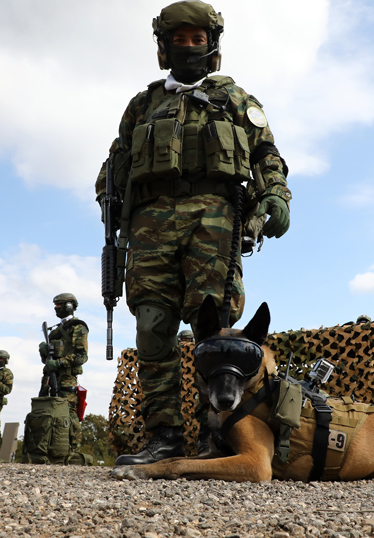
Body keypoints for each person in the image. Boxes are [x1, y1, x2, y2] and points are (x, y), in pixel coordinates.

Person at [96, 0, 291, 465]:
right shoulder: (143, 104)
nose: (188, 46)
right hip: (150, 223)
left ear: (212, 44)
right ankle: (163, 435)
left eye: (196, 39)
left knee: (214, 328)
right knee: (152, 326)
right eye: (179, 39)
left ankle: (214, 436)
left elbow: (266, 154)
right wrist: (108, 198)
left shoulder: (234, 98)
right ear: (164, 47)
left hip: (214, 218)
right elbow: (116, 162)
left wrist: (276, 195)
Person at [39, 293, 89, 452]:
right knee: (49, 414)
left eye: (59, 305)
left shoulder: (78, 327)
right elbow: (47, 361)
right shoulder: (54, 332)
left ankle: (73, 451)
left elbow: (81, 356)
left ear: (69, 306)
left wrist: (58, 363)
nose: (56, 308)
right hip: (50, 379)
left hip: (67, 378)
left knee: (70, 415)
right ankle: (53, 450)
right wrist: (44, 353)